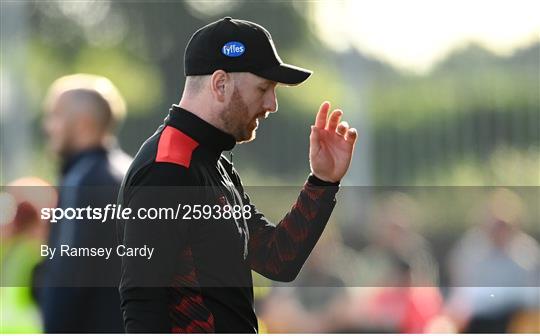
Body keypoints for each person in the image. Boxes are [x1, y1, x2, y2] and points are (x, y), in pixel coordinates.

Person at [118, 17, 358, 333]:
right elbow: (141, 302)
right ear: (220, 84)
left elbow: (276, 258)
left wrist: (323, 182)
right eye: (263, 88)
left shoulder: (213, 160)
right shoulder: (169, 167)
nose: (272, 104)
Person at [38, 74, 131, 332]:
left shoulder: (82, 181)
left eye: (55, 116)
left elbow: (67, 275)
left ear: (83, 124)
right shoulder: (131, 173)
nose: (48, 126)